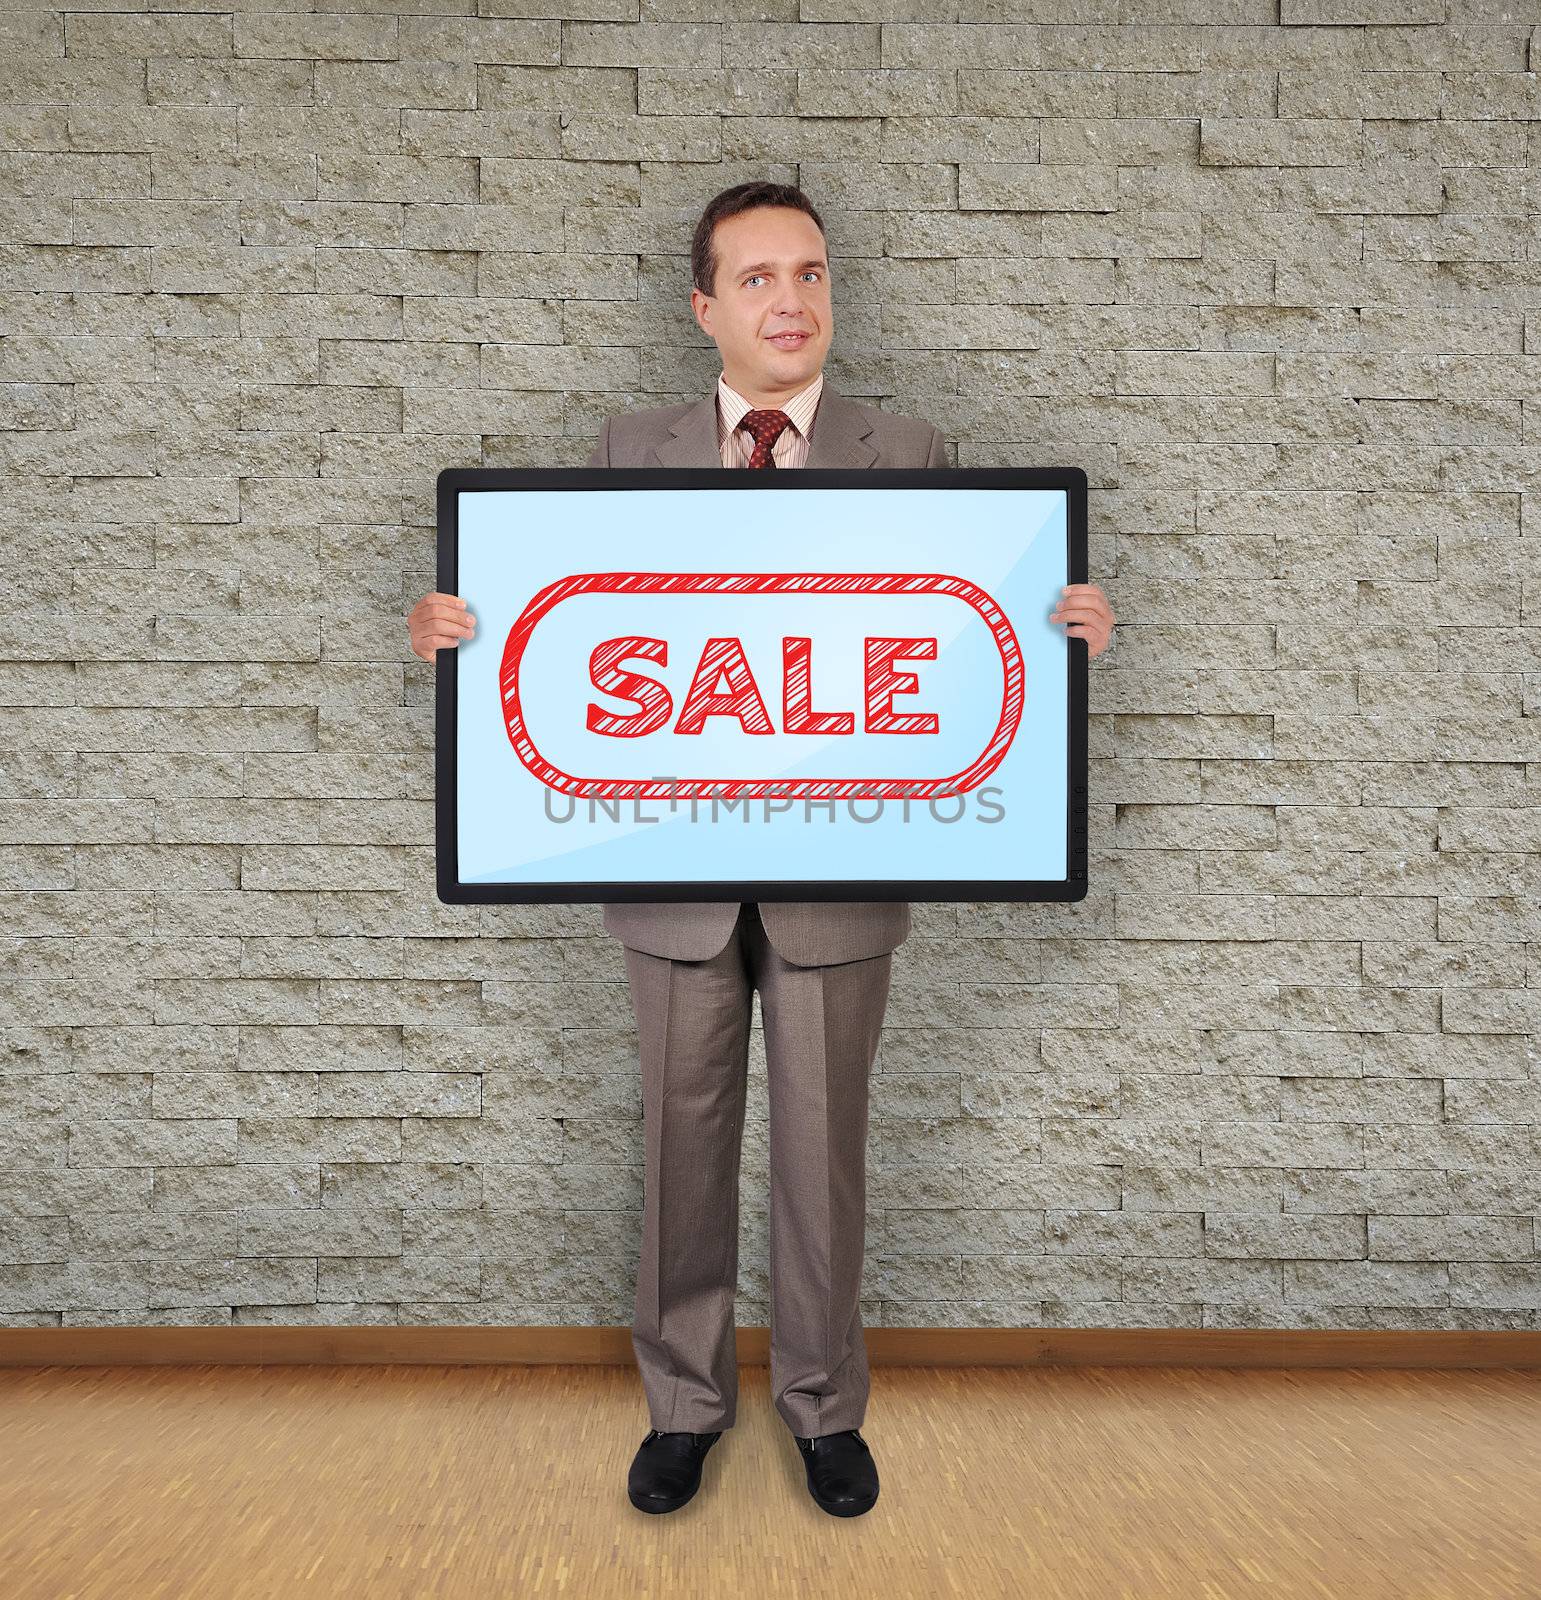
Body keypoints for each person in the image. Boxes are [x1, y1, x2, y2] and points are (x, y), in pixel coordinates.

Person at [409, 181, 1115, 1518]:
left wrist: (1059, 621)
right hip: (667, 879)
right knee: (679, 1151)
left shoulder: (907, 447)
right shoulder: (630, 444)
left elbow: (960, 636)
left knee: (820, 1151)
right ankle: (682, 1405)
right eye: (756, 278)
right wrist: (459, 626)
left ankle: (819, 1410)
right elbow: (571, 621)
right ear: (704, 307)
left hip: (836, 880)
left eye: (810, 273)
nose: (789, 300)